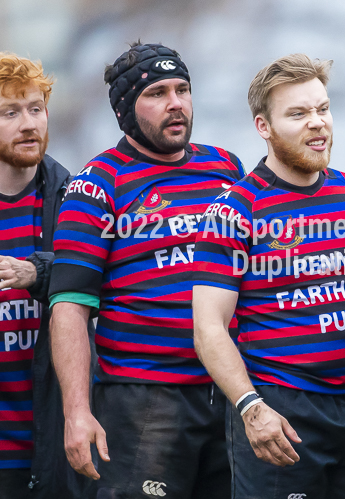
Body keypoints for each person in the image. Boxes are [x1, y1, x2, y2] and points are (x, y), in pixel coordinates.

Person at [192, 54, 345, 498]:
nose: (318, 123)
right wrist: (251, 408)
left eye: (323, 109)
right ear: (263, 127)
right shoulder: (235, 210)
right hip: (281, 410)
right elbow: (208, 328)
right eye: (299, 114)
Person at [49, 42, 244, 498]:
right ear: (125, 110)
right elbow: (70, 308)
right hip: (142, 403)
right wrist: (77, 413)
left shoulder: (227, 170)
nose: (175, 103)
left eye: (183, 89)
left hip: (229, 391)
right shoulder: (96, 183)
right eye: (157, 92)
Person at [0, 52, 88, 499]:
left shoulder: (74, 199)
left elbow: (101, 283)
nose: (28, 123)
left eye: (36, 109)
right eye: (10, 113)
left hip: (53, 439)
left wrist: (35, 272)